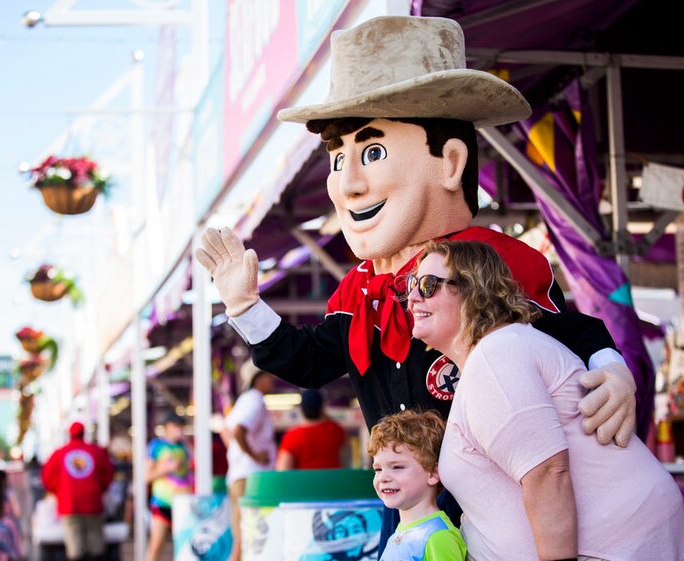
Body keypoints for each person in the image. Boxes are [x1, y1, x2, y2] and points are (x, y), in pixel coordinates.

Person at [195, 15, 637, 551]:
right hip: (412, 520)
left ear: (450, 163)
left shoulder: (486, 263)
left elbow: (564, 331)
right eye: (338, 158)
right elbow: (310, 361)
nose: (349, 183)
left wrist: (611, 367)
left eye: (372, 152)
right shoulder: (357, 291)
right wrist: (244, 306)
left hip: (505, 520)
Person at [406, 239, 684, 560]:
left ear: (474, 290)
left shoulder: (496, 355)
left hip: (615, 547)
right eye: (410, 284)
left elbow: (548, 474)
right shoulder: (495, 354)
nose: (413, 296)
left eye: (429, 285)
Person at [368, 410, 465, 561]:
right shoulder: (399, 532)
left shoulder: (438, 536)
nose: (383, 477)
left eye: (397, 467)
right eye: (378, 469)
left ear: (432, 473)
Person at [223, 361, 276, 561]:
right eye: (269, 375)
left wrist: (236, 454)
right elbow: (237, 431)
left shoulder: (244, 400)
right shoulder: (254, 400)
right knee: (248, 540)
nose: (273, 380)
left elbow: (227, 430)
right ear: (258, 378)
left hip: (241, 475)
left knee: (242, 540)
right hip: (250, 477)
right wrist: (254, 455)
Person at [41, 421, 115, 561]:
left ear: (70, 434)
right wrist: (100, 489)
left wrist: (60, 492)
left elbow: (47, 477)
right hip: (93, 504)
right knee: (96, 547)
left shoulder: (60, 453)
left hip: (69, 505)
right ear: (84, 433)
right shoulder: (96, 451)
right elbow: (108, 473)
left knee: (75, 549)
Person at [145, 411, 193, 561]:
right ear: (167, 427)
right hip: (162, 502)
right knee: (156, 543)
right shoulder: (156, 446)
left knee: (184, 543)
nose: (178, 429)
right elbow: (147, 476)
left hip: (183, 502)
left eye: (181, 426)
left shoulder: (184, 447)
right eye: (175, 426)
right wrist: (167, 468)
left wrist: (188, 444)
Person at [276, 389, 346, 470]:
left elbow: (284, 470)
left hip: (304, 482)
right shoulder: (336, 430)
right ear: (321, 408)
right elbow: (345, 461)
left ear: (302, 409)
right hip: (333, 481)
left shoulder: (292, 436)